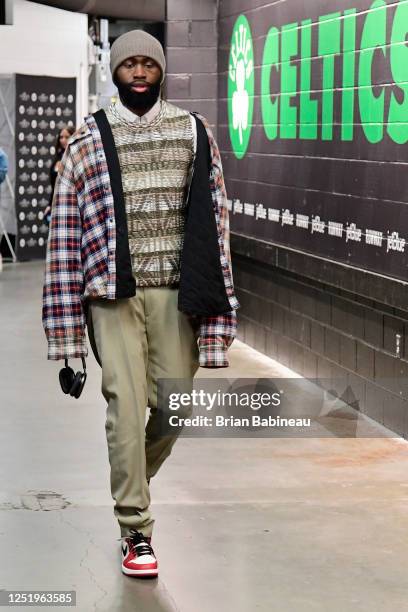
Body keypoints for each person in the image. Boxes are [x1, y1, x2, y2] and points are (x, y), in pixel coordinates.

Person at [42, 30, 239, 579]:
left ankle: (133, 480)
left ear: (160, 71)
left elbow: (216, 218)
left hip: (178, 294)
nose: (137, 72)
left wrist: (220, 313)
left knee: (174, 409)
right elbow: (65, 238)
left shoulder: (192, 133)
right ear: (115, 73)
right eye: (127, 64)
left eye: (146, 64)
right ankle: (136, 528)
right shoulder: (86, 141)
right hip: (112, 295)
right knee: (124, 411)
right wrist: (66, 342)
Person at [43, 126, 75, 226]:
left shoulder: (75, 157)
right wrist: (49, 205)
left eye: (67, 137)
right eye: (61, 137)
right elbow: (54, 186)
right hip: (56, 204)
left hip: (71, 204)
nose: (63, 140)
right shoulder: (58, 157)